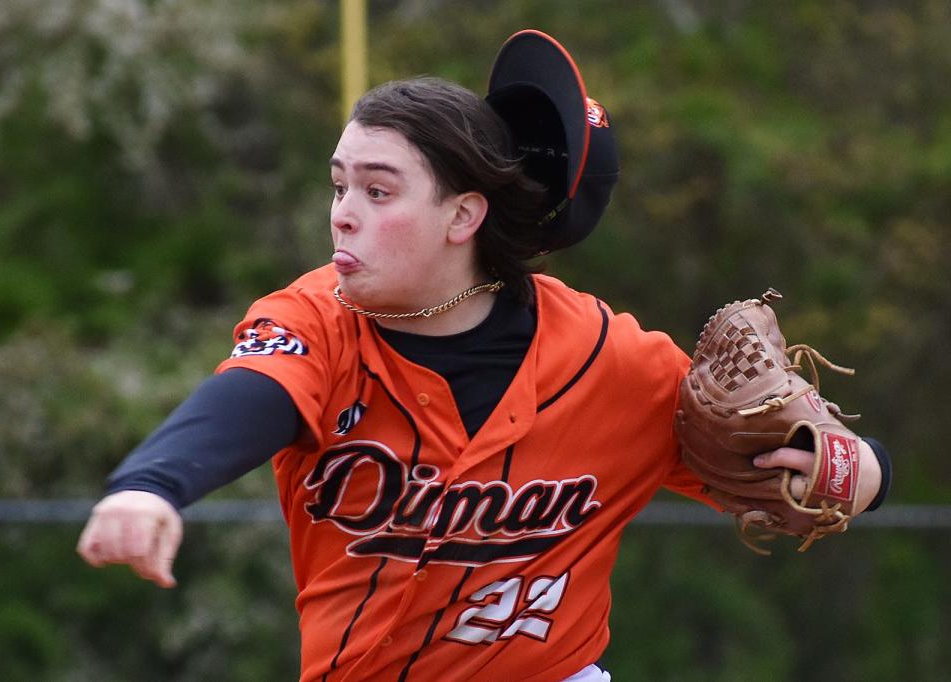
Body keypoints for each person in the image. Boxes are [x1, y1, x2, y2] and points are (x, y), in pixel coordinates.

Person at [77, 30, 891, 682]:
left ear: (463, 216)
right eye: (339, 186)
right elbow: (252, 393)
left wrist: (857, 473)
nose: (344, 216)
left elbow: (788, 463)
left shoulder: (611, 358)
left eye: (380, 190)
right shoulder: (317, 317)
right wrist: (154, 483)